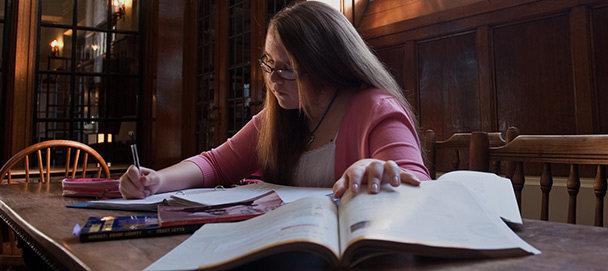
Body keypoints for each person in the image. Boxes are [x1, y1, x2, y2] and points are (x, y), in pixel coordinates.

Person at [119, 1, 430, 199]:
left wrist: (377, 171)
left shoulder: (377, 109)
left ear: (328, 65)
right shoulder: (280, 116)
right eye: (268, 63)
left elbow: (416, 184)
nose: (272, 79)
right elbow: (215, 163)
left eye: (289, 69)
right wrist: (157, 180)